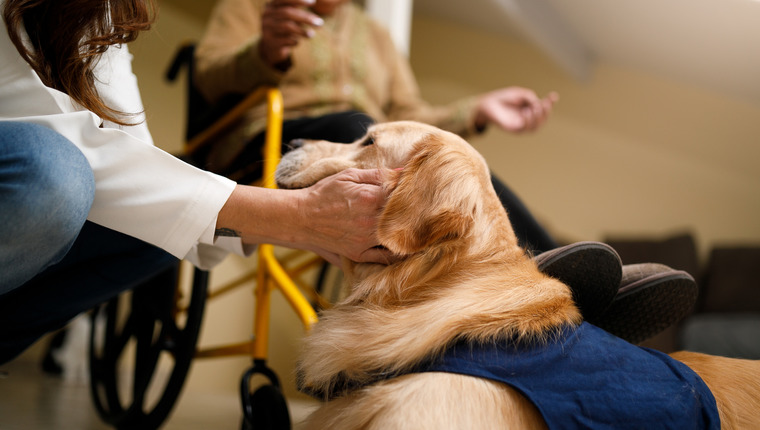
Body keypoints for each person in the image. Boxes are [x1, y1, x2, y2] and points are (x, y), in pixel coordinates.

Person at [0, 0, 393, 364]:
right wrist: (297, 216)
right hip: (259, 134)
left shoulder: (103, 15)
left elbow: (139, 165)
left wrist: (297, 230)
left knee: (164, 231)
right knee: (54, 175)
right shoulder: (247, 5)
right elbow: (62, 137)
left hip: (347, 133)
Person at [194, 0, 559, 254]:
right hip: (268, 139)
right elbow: (207, 77)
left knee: (455, 161)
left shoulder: (377, 35)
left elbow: (409, 114)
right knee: (357, 124)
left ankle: (554, 261)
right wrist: (265, 51)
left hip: (362, 142)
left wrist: (476, 110)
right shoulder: (250, 6)